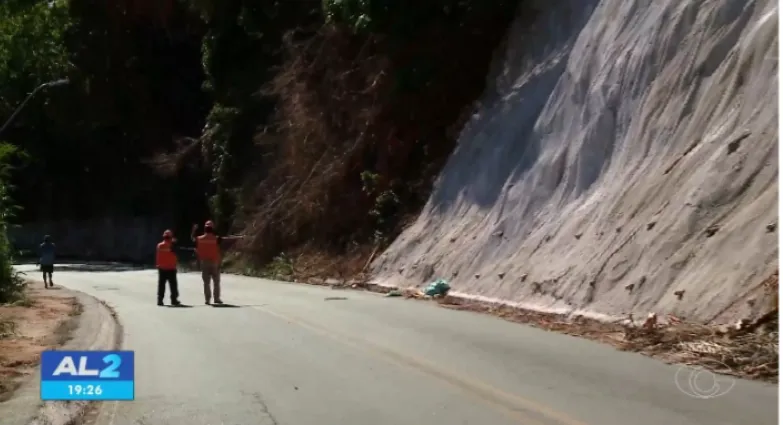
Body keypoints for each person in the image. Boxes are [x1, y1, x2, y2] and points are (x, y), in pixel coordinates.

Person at [191, 220, 243, 305]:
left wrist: (193, 230)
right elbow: (227, 239)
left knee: (206, 283)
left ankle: (207, 300)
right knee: (216, 282)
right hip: (214, 263)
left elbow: (192, 238)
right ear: (212, 228)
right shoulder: (217, 239)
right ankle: (216, 298)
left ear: (205, 229)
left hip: (204, 263)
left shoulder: (199, 239)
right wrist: (239, 237)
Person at [156, 230, 181, 306]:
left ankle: (160, 300)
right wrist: (175, 242)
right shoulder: (172, 246)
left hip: (162, 268)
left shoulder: (159, 245)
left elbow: (158, 256)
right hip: (171, 268)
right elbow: (177, 253)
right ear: (170, 237)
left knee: (161, 285)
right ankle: (174, 300)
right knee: (173, 285)